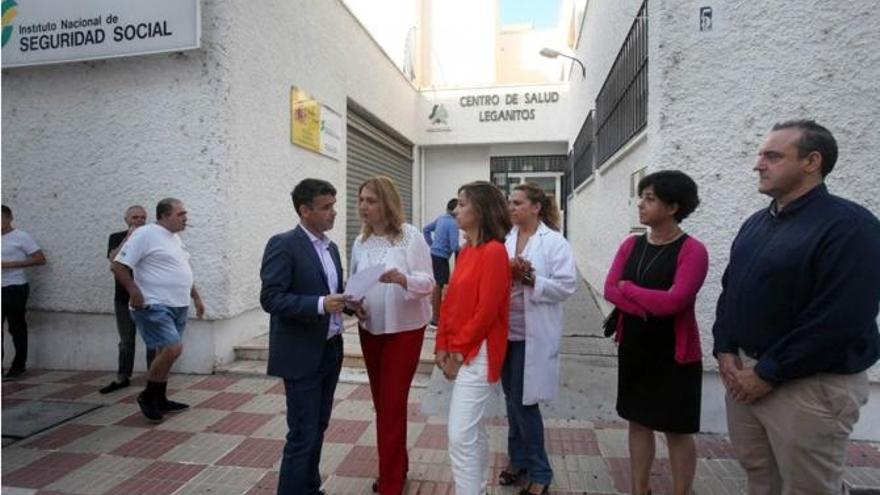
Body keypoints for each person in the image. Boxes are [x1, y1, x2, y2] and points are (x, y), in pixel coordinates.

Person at [713, 120, 880, 494]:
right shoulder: (756, 223)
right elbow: (731, 290)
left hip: (808, 385)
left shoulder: (850, 227)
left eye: (772, 156)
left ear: (812, 161)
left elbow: (840, 319)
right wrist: (724, 349)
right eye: (760, 155)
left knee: (809, 487)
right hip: (744, 376)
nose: (758, 164)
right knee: (760, 479)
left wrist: (768, 373)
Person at [603, 170, 708, 495]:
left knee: (677, 429)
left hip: (674, 352)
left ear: (673, 206)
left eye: (650, 199)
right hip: (635, 347)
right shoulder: (631, 244)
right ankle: (640, 489)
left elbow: (676, 301)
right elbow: (609, 289)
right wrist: (648, 305)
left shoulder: (692, 250)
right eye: (641, 197)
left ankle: (681, 491)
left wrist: (631, 289)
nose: (641, 205)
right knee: (638, 421)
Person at [260, 178, 350, 495]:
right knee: (302, 433)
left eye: (333, 206)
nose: (333, 213)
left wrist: (350, 304)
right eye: (326, 207)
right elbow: (271, 298)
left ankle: (309, 488)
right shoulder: (283, 244)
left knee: (319, 427)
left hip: (330, 349)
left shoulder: (331, 247)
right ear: (305, 210)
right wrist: (319, 305)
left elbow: (329, 294)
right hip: (301, 355)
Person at [351, 176, 434, 495]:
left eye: (370, 201)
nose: (363, 207)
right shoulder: (361, 242)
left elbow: (429, 282)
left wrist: (402, 280)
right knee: (382, 404)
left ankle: (390, 482)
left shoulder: (409, 236)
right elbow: (354, 281)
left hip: (405, 330)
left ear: (386, 203)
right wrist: (353, 303)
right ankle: (398, 465)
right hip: (370, 330)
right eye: (360, 200)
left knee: (392, 403)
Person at [499, 183, 577, 495]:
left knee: (524, 403)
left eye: (517, 203)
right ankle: (518, 461)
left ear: (536, 207)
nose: (511, 208)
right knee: (511, 400)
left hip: (533, 337)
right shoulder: (506, 239)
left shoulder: (554, 242)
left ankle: (541, 472)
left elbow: (566, 286)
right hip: (505, 333)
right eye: (509, 203)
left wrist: (530, 278)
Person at [435, 181, 512, 495]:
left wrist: (457, 353)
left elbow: (485, 312)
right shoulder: (466, 250)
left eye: (463, 204)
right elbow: (451, 302)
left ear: (481, 210)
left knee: (460, 434)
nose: (456, 209)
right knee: (472, 431)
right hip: (460, 348)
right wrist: (441, 344)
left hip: (479, 353)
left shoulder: (494, 252)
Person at [112, 198, 205, 421]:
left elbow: (182, 270)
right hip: (153, 304)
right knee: (173, 349)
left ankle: (160, 399)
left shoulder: (175, 239)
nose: (185, 218)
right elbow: (118, 264)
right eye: (180, 214)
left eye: (185, 213)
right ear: (164, 216)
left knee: (166, 353)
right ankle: (147, 396)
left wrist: (197, 298)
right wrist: (133, 290)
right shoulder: (145, 234)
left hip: (178, 305)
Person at [100, 205, 156, 394]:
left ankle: (153, 377)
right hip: (123, 297)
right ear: (127, 220)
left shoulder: (150, 238)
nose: (139, 221)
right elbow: (114, 259)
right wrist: (128, 239)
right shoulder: (116, 237)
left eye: (142, 217)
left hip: (147, 296)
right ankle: (122, 376)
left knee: (151, 340)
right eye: (135, 217)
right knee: (126, 340)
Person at [2, 205, 47, 379]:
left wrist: (8, 264)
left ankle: (18, 365)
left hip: (14, 286)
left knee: (16, 327)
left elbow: (40, 259)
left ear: (9, 218)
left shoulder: (21, 237)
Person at [422, 198, 460, 325]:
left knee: (438, 284)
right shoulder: (453, 223)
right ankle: (436, 318)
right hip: (441, 257)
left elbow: (426, 229)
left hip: (434, 254)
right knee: (440, 285)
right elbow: (455, 246)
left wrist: (432, 245)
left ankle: (436, 316)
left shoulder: (441, 218)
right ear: (455, 210)